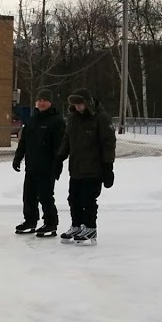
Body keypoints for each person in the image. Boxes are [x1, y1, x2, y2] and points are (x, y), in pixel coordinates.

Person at [56, 89, 116, 243]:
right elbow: (67, 139)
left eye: (80, 104)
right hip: (76, 167)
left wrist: (108, 166)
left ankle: (90, 227)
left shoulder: (101, 118)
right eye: (75, 105)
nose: (77, 108)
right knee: (73, 198)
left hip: (94, 168)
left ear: (87, 103)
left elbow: (108, 143)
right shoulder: (73, 119)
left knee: (88, 199)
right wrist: (60, 157)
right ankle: (76, 225)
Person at [12, 89, 66, 237]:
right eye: (39, 100)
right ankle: (30, 221)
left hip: (47, 167)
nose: (41, 103)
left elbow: (59, 147)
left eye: (45, 100)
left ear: (50, 102)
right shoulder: (33, 120)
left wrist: (57, 166)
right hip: (31, 166)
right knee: (28, 196)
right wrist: (18, 157)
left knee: (46, 196)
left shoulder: (57, 121)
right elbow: (24, 142)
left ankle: (50, 223)